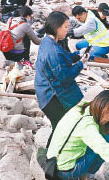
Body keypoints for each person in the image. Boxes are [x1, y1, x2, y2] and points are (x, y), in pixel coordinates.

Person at [47, 90, 109, 180]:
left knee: (108, 138)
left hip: (55, 158)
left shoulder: (83, 107)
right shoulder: (87, 125)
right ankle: (86, 177)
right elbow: (102, 147)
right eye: (108, 113)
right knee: (107, 143)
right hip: (66, 170)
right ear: (100, 106)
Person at [35, 11, 89, 147]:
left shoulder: (49, 42)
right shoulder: (52, 50)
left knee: (61, 128)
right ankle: (50, 159)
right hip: (51, 97)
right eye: (65, 27)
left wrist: (78, 55)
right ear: (57, 27)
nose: (67, 30)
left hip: (46, 93)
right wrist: (81, 64)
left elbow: (65, 57)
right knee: (61, 128)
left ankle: (52, 157)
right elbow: (65, 77)